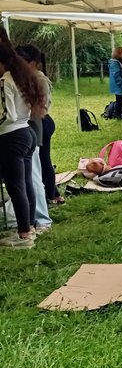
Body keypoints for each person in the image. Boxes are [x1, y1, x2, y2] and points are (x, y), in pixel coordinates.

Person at [0, 28, 48, 249]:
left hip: (11, 135)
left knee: (16, 186)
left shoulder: (5, 80)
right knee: (26, 182)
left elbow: (5, 115)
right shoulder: (22, 76)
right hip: (26, 131)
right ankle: (30, 226)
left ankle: (23, 234)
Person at [16, 44, 63, 209]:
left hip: (41, 122)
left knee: (43, 159)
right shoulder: (26, 77)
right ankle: (48, 193)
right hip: (34, 122)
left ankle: (52, 194)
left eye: (23, 61)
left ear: (34, 62)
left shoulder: (39, 78)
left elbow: (41, 108)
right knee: (39, 160)